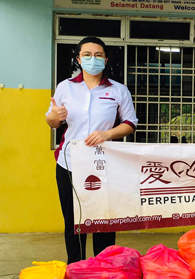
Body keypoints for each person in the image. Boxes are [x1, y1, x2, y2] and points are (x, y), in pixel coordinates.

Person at [46, 36, 138, 264]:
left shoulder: (118, 90)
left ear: (106, 60)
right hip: (69, 163)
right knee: (74, 220)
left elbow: (130, 123)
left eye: (98, 55)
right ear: (78, 59)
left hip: (104, 164)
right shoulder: (65, 87)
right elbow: (53, 121)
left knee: (103, 219)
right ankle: (76, 267)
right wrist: (53, 117)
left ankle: (104, 268)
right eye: (86, 55)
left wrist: (107, 134)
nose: (92, 59)